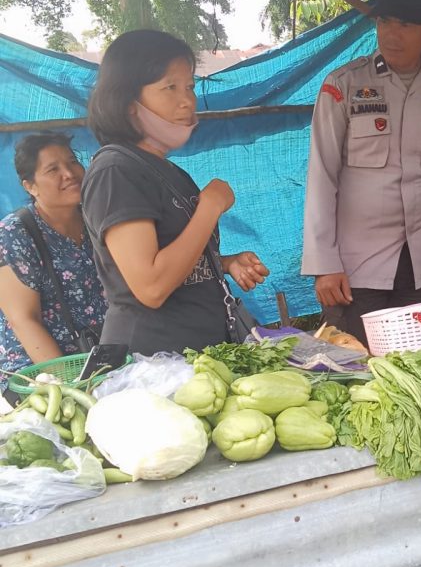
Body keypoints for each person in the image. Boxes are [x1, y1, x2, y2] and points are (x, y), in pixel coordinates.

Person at [301, 0, 421, 345]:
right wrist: (323, 264)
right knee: (357, 377)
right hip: (354, 271)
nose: (391, 34)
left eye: (405, 24)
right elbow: (321, 177)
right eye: (385, 20)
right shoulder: (343, 86)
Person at [82, 29, 269, 355]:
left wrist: (221, 263)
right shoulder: (115, 170)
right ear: (127, 102)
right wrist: (209, 208)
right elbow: (151, 285)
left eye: (190, 86)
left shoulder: (167, 171)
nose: (187, 100)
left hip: (195, 360)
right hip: (153, 365)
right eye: (169, 87)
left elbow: (176, 258)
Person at [0, 132, 107, 381]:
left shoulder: (96, 219)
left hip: (100, 361)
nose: (69, 174)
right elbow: (24, 320)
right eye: (52, 169)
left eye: (72, 162)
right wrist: (70, 385)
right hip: (41, 375)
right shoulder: (15, 234)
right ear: (30, 186)